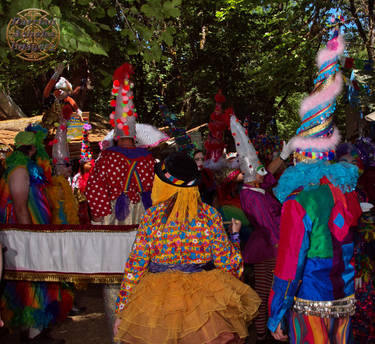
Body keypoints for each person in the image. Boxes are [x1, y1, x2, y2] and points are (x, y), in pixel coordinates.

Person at [268, 23, 362, 343]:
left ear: (301, 156)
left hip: (310, 311)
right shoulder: (347, 195)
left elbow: (289, 266)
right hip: (344, 305)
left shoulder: (299, 202)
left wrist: (276, 314)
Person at [113, 151, 261, 344]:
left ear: (164, 184)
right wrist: (234, 237)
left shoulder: (152, 217)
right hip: (205, 304)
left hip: (157, 302)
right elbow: (230, 264)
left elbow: (136, 265)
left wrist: (123, 308)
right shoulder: (209, 215)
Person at [85, 63, 156, 344]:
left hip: (115, 218)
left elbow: (94, 192)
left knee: (114, 277)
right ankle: (144, 331)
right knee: (145, 274)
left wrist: (101, 221)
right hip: (144, 220)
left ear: (115, 132)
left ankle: (119, 336)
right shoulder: (149, 160)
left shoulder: (106, 160)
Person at [0, 129, 65, 343]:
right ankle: (34, 334)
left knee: (37, 279)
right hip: (27, 234)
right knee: (33, 280)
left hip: (34, 231)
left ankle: (36, 329)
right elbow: (20, 207)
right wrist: (31, 237)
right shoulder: (19, 170)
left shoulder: (24, 167)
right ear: (33, 146)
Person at [230, 114, 289, 342]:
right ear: (250, 173)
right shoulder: (250, 194)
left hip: (275, 243)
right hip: (269, 246)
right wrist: (281, 247)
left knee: (274, 290)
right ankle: (264, 335)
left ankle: (272, 331)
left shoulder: (258, 186)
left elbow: (270, 173)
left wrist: (284, 155)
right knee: (266, 291)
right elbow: (266, 223)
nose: (263, 172)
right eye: (259, 170)